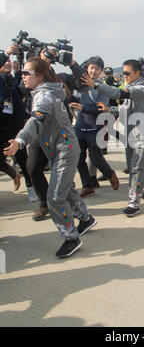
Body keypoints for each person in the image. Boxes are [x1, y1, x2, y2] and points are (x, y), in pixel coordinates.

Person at [4, 57, 97, 258]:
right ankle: (86, 219)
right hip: (57, 149)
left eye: (27, 73)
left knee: (54, 197)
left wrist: (20, 141)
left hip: (65, 149)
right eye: (22, 72)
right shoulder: (44, 91)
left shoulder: (44, 96)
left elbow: (35, 121)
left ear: (40, 76)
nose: (23, 76)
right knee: (67, 189)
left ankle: (71, 237)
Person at [82, 59, 144, 217]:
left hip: (143, 133)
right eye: (123, 73)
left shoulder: (142, 88)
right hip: (130, 134)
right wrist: (111, 109)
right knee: (134, 166)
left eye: (127, 73)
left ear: (137, 73)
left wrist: (96, 85)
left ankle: (133, 203)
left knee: (135, 169)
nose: (125, 76)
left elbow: (117, 93)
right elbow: (124, 108)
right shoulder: (130, 86)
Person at [70, 56, 119, 198]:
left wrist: (83, 108)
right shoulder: (80, 84)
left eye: (97, 69)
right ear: (87, 68)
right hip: (80, 126)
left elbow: (101, 109)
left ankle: (110, 174)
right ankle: (87, 186)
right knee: (79, 158)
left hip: (95, 128)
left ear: (101, 72)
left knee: (96, 158)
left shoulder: (102, 88)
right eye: (92, 67)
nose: (93, 71)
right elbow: (74, 99)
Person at [0, 54, 38, 201]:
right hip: (1, 127)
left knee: (23, 159)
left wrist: (19, 70)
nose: (7, 64)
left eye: (9, 62)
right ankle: (14, 175)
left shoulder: (14, 80)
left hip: (15, 127)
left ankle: (31, 187)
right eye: (4, 62)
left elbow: (24, 89)